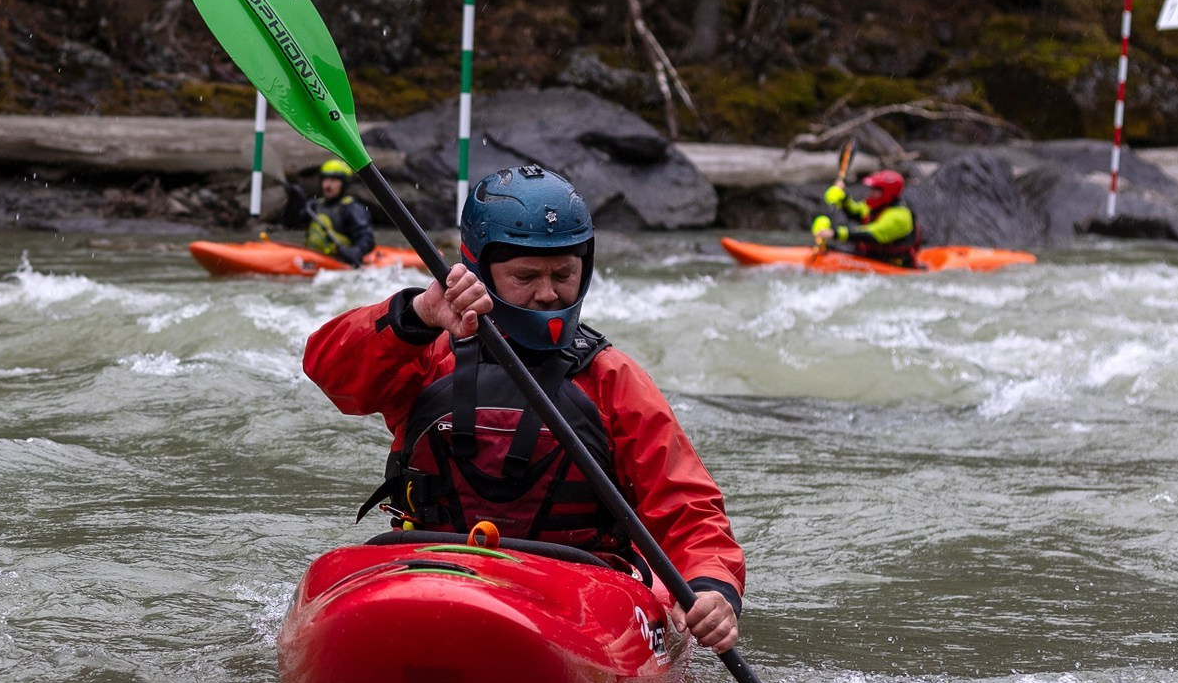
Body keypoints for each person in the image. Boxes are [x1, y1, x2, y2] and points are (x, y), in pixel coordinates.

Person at [301, 164, 746, 652]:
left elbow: (687, 509)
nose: (548, 293)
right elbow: (330, 372)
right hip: (429, 566)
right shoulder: (428, 353)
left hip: (579, 591)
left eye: (564, 274)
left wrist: (711, 586)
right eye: (525, 275)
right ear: (478, 271)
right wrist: (421, 314)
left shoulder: (613, 379)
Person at [280, 158, 378, 267]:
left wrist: (357, 251)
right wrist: (294, 202)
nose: (327, 185)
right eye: (325, 180)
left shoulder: (352, 209)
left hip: (338, 260)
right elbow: (289, 223)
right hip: (314, 258)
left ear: (344, 183)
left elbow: (367, 238)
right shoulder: (314, 205)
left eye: (333, 180)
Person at [810, 167, 917, 265]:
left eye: (875, 190)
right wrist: (843, 199)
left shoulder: (899, 216)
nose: (870, 193)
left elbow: (871, 234)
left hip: (893, 263)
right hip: (872, 257)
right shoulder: (877, 206)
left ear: (888, 192)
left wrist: (835, 233)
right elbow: (857, 212)